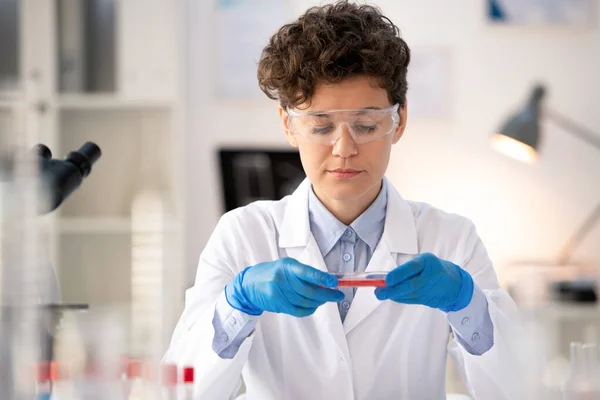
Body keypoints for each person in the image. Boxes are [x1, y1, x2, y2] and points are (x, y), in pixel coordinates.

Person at [164, 2, 523, 399]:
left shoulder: (452, 238)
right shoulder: (243, 235)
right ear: (288, 125)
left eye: (367, 125)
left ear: (398, 121)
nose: (344, 148)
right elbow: (182, 391)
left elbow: (517, 390)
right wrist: (238, 305)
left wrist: (466, 304)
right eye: (320, 126)